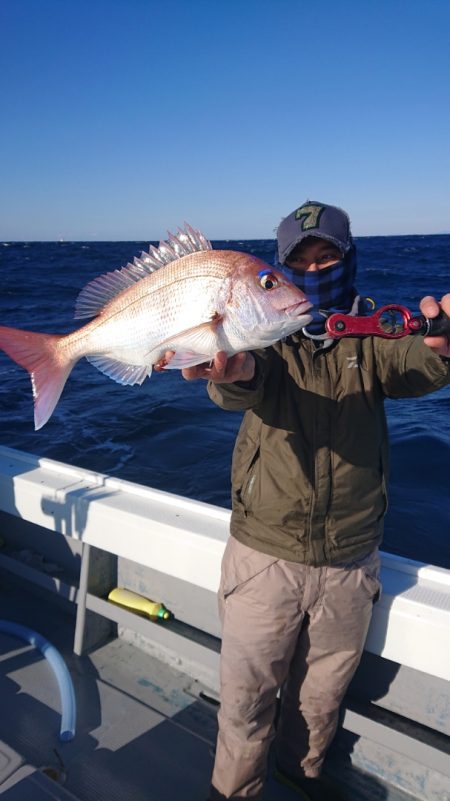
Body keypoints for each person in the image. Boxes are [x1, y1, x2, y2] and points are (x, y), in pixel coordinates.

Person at [180, 201, 450, 801]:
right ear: (277, 270)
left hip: (350, 562)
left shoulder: (373, 332)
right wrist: (231, 372)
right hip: (264, 555)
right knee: (245, 703)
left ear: (348, 258)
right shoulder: (262, 331)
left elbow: (416, 362)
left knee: (318, 705)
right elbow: (245, 377)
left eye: (326, 255)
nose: (314, 268)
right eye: (298, 261)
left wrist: (441, 346)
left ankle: (296, 782)